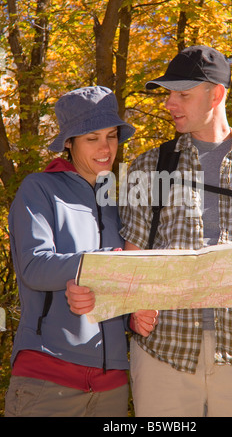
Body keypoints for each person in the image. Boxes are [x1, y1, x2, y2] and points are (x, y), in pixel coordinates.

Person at [118, 45, 232, 417]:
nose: (170, 103)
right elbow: (131, 255)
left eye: (182, 94)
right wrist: (135, 305)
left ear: (216, 94)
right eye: (168, 94)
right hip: (163, 354)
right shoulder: (149, 166)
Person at [5, 86, 158, 417]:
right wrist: (102, 265)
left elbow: (124, 281)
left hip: (112, 385)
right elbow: (34, 266)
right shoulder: (39, 188)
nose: (106, 148)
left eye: (112, 136)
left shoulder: (118, 201)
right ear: (69, 143)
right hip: (48, 376)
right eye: (92, 138)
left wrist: (135, 314)